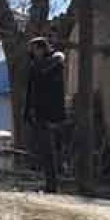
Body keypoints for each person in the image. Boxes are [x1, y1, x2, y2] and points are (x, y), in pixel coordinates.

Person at [23, 37, 66, 193]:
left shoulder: (52, 64)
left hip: (48, 114)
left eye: (33, 49)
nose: (31, 53)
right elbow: (31, 91)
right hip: (40, 114)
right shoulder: (38, 65)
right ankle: (50, 183)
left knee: (50, 151)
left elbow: (44, 89)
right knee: (43, 151)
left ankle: (52, 185)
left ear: (41, 49)